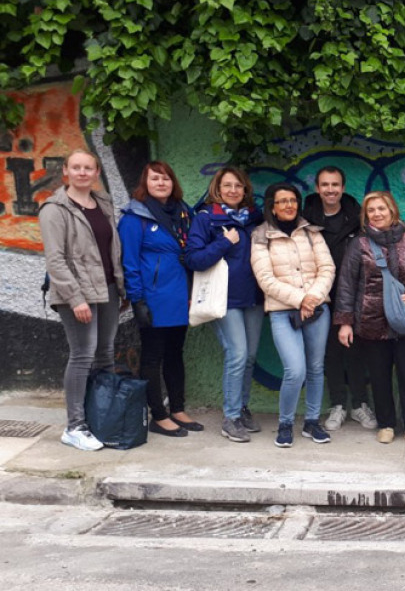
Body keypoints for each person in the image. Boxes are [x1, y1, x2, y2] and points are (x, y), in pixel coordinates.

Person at [333, 191, 405, 444]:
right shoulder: (359, 244)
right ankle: (386, 424)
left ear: (392, 211)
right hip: (372, 322)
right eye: (371, 210)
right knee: (379, 377)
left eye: (381, 209)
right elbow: (347, 284)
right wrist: (345, 322)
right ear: (366, 215)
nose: (377, 214)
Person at [39, 150, 126, 451]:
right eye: (75, 167)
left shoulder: (103, 203)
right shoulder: (54, 208)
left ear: (97, 172)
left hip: (108, 289)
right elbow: (56, 260)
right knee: (82, 354)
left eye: (88, 167)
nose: (82, 172)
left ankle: (100, 418)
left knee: (105, 353)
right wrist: (76, 298)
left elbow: (112, 249)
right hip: (76, 295)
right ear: (65, 171)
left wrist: (121, 289)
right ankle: (74, 426)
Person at [251, 183, 336, 448]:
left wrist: (312, 298)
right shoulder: (260, 236)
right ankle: (285, 423)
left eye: (293, 200)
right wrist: (301, 299)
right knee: (294, 370)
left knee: (315, 368)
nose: (289, 205)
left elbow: (327, 268)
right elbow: (265, 279)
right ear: (272, 206)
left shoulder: (311, 233)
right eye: (282, 201)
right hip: (282, 313)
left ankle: (312, 422)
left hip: (317, 310)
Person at [118, 161, 198, 438]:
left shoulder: (184, 213)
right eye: (155, 179)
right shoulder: (134, 217)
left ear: (173, 183)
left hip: (181, 297)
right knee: (153, 357)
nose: (161, 183)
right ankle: (158, 416)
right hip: (153, 299)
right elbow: (129, 261)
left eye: (166, 178)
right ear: (145, 183)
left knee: (176, 354)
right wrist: (137, 300)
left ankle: (177, 408)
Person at [186, 166, 265, 444]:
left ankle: (242, 409)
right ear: (218, 190)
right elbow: (194, 259)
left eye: (238, 186)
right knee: (237, 354)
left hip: (254, 298)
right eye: (227, 186)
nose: (233, 190)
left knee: (250, 356)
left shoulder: (255, 219)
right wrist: (223, 242)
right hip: (224, 300)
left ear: (245, 190)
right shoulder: (206, 219)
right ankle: (230, 418)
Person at [301, 167, 374, 432]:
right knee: (328, 353)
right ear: (317, 188)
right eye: (325, 185)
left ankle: (359, 405)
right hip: (318, 297)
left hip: (352, 296)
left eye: (335, 185)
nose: (330, 189)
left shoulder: (356, 218)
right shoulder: (306, 219)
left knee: (354, 351)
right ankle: (338, 404)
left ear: (342, 188)